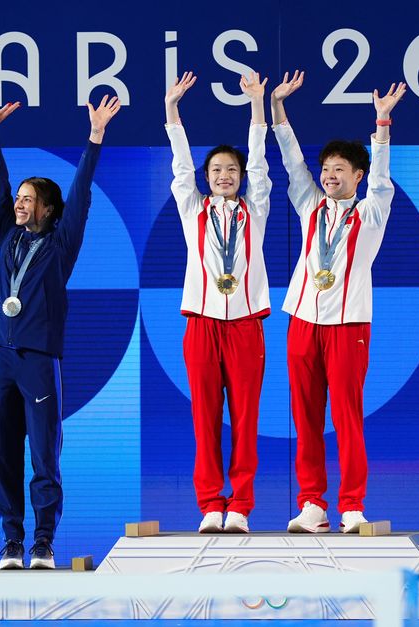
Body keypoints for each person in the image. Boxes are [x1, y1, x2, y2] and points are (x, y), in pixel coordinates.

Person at [0, 96, 120, 569]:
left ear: (45, 207)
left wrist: (95, 137)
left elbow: (80, 194)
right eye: (18, 198)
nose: (18, 203)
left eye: (28, 198)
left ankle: (43, 541)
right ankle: (12, 542)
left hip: (39, 358)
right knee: (2, 454)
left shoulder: (61, 245)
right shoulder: (8, 236)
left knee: (43, 453)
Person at [270, 70, 406, 534]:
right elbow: (291, 162)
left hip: (350, 326)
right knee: (305, 419)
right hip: (303, 322)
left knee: (347, 418)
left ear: (358, 176)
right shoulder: (309, 205)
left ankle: (351, 505)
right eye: (326, 170)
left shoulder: (370, 213)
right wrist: (277, 107)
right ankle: (312, 504)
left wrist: (381, 124)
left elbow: (384, 180)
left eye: (339, 171)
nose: (329, 177)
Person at [165, 71, 272, 534]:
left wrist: (256, 104)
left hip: (246, 324)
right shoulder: (194, 209)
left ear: (241, 177)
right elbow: (180, 165)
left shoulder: (258, 208)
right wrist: (172, 109)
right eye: (217, 171)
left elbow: (263, 162)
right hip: (202, 324)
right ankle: (211, 503)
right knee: (204, 419)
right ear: (206, 180)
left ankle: (241, 507)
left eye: (232, 170)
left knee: (245, 420)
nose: (225, 176)